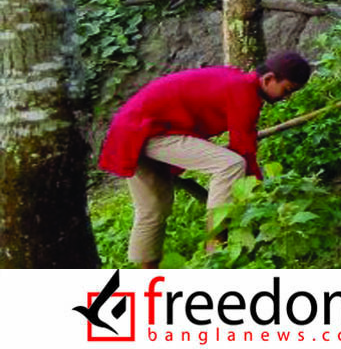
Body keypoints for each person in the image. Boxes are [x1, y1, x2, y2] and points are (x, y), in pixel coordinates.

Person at [98, 52, 312, 267]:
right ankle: (215, 249)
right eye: (287, 90)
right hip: (146, 131)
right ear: (268, 79)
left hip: (130, 131)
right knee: (230, 164)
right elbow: (243, 151)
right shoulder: (243, 91)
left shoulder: (236, 81)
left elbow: (244, 148)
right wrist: (261, 193)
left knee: (153, 209)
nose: (286, 98)